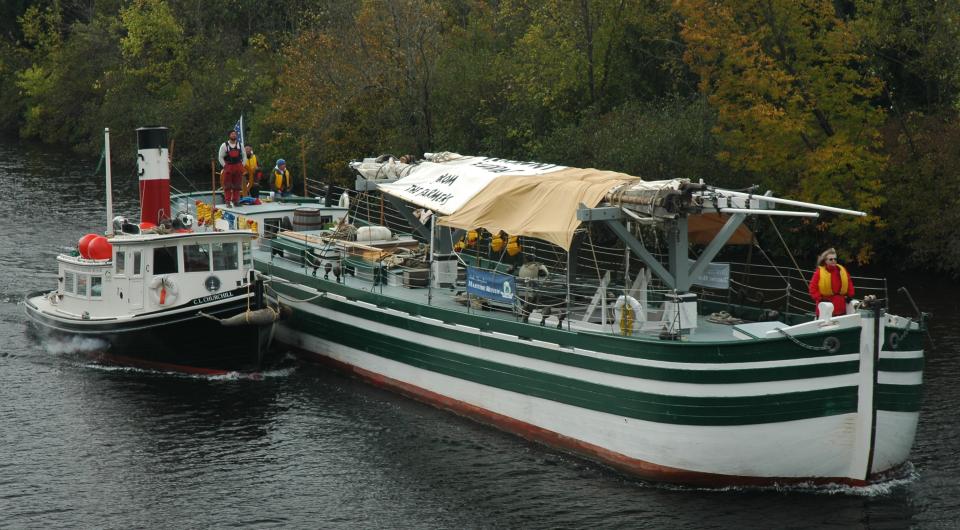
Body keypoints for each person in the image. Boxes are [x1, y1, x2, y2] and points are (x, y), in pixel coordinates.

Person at [808, 248, 855, 317]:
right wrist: (820, 299)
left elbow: (849, 283)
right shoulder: (819, 273)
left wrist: (850, 295)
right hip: (825, 308)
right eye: (831, 259)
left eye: (835, 259)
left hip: (841, 307)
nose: (833, 261)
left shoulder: (842, 270)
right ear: (825, 261)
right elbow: (812, 288)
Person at [218, 130, 247, 206]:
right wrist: (225, 166)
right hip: (229, 167)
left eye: (235, 134)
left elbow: (244, 156)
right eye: (232, 134)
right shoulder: (224, 145)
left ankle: (235, 201)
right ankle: (227, 202)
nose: (234, 135)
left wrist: (242, 165)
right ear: (229, 136)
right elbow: (220, 157)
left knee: (237, 185)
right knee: (227, 185)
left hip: (238, 167)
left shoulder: (240, 145)